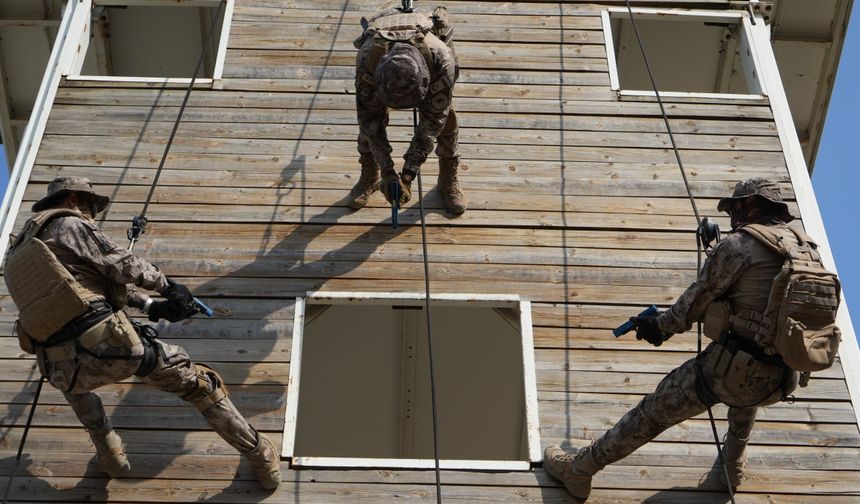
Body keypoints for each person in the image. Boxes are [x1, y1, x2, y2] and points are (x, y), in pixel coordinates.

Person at [544, 178, 840, 501]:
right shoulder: (805, 248)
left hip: (734, 375)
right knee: (750, 378)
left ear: (752, 205)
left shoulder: (740, 244)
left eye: (735, 209)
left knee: (653, 410)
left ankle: (580, 469)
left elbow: (690, 307)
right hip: (782, 379)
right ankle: (731, 466)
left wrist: (658, 327)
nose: (732, 219)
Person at [4, 177, 281, 490]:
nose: (92, 215)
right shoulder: (69, 224)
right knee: (200, 385)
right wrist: (169, 288)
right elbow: (122, 265)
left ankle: (109, 452)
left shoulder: (18, 253)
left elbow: (82, 292)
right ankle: (259, 453)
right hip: (110, 347)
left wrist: (152, 306)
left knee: (79, 386)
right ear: (72, 198)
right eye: (91, 207)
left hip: (60, 369)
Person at [346, 2, 466, 215]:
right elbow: (370, 121)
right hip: (381, 47)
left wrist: (408, 174)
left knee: (445, 120)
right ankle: (370, 174)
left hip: (431, 59)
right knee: (368, 122)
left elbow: (431, 124)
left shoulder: (441, 59)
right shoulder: (367, 61)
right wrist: (388, 171)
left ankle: (448, 177)